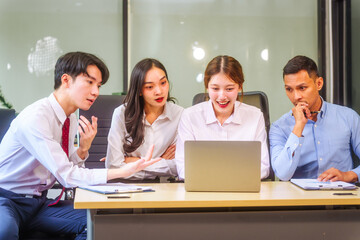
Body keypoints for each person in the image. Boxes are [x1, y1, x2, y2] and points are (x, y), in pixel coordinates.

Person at [0, 52, 160, 239]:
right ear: (66, 80)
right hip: (6, 199)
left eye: (98, 85)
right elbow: (67, 175)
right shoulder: (36, 118)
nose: (96, 92)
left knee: (97, 226)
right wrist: (122, 171)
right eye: (90, 82)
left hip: (39, 204)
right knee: (5, 232)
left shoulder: (70, 119)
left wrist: (82, 149)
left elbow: (64, 167)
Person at [175, 55, 270, 180]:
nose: (222, 96)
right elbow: (183, 168)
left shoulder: (255, 116)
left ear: (240, 86)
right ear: (207, 87)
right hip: (203, 190)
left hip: (242, 191)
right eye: (215, 88)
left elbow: (263, 167)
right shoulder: (190, 117)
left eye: (229, 89)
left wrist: (223, 178)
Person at [269, 55, 360, 182]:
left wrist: (349, 175)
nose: (296, 97)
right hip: (299, 199)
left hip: (340, 197)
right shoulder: (279, 127)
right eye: (289, 89)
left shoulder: (349, 117)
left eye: (302, 88)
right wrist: (298, 127)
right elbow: (283, 174)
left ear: (319, 84)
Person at [105, 58, 183, 180]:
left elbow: (180, 166)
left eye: (163, 83)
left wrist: (132, 162)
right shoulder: (121, 114)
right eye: (150, 87)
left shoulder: (180, 115)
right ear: (139, 90)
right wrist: (161, 162)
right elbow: (114, 166)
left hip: (163, 189)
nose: (159, 91)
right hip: (126, 188)